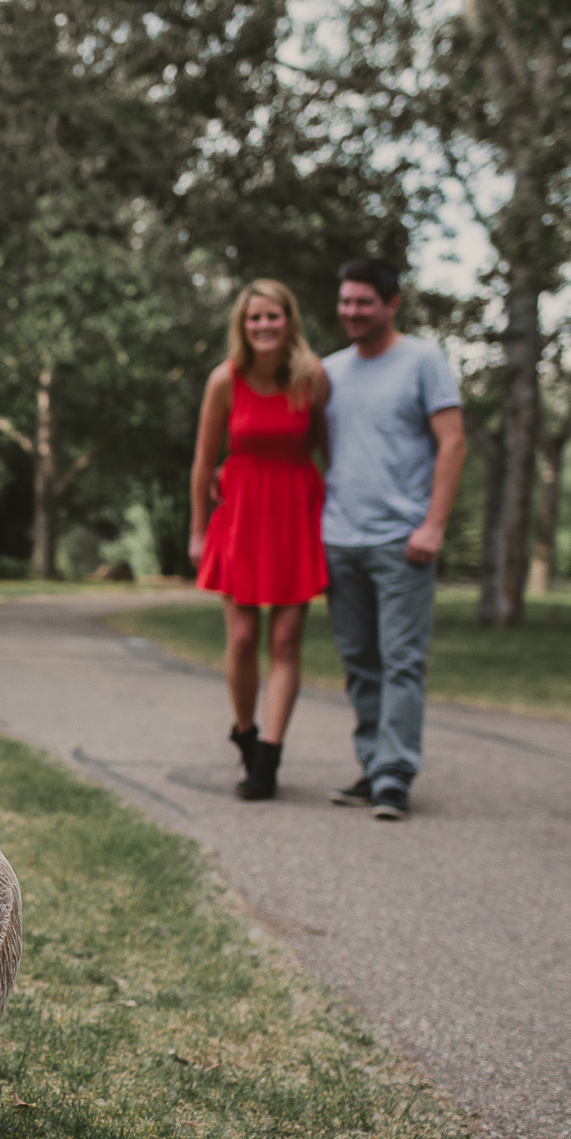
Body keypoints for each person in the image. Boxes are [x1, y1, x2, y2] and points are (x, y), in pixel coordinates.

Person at [321, 257, 466, 821]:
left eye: (364, 302)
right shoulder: (330, 371)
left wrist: (434, 524)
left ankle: (394, 775)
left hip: (403, 541)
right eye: (346, 301)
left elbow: (452, 443)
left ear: (391, 305)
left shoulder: (424, 360)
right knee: (359, 660)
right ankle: (372, 765)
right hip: (340, 538)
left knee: (402, 659)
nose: (352, 312)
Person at [188, 279, 329, 800]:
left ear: (289, 321)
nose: (264, 326)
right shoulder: (225, 381)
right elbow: (204, 463)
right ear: (242, 326)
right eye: (254, 318)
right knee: (244, 638)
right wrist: (199, 530)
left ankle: (269, 757)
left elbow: (325, 453)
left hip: (295, 515)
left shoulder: (312, 380)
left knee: (287, 641)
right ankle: (245, 732)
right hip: (241, 518)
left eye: (273, 316)